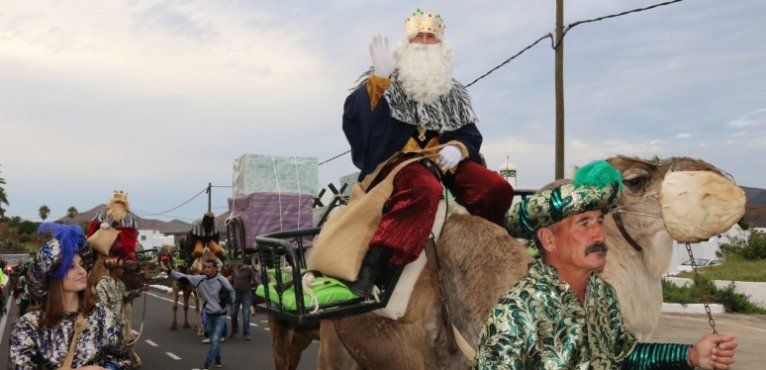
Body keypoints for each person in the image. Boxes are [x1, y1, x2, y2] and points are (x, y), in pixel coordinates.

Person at [474, 161, 738, 369]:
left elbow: (622, 356)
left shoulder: (601, 295)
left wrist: (690, 355)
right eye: (584, 224)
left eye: (600, 221)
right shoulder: (515, 313)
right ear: (549, 239)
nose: (600, 235)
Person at [342, 8, 514, 297]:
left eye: (430, 37)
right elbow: (363, 127)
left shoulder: (452, 91)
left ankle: (485, 248)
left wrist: (458, 149)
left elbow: (470, 134)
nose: (424, 41)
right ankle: (375, 265)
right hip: (398, 162)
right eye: (418, 36)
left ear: (441, 45)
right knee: (424, 188)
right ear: (406, 43)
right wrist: (379, 84)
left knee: (497, 187)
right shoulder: (385, 80)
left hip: (444, 161)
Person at [9, 223, 132, 369]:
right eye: (71, 266)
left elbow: (123, 360)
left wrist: (107, 368)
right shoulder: (29, 325)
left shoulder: (103, 316)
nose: (82, 271)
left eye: (81, 264)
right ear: (53, 275)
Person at [165, 258, 234, 370]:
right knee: (213, 339)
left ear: (216, 268)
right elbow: (184, 277)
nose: (206, 269)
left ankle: (207, 364)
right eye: (205, 266)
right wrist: (170, 271)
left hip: (220, 314)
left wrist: (227, 302)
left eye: (209, 267)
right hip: (208, 313)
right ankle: (218, 359)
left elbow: (231, 292)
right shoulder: (200, 280)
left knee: (215, 339)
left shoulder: (222, 280)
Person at [228, 263, 256, 340]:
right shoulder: (234, 268)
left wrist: (254, 285)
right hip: (236, 294)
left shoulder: (249, 269)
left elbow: (255, 279)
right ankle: (234, 330)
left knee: (246, 314)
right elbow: (232, 278)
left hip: (246, 294)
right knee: (233, 312)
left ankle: (246, 332)